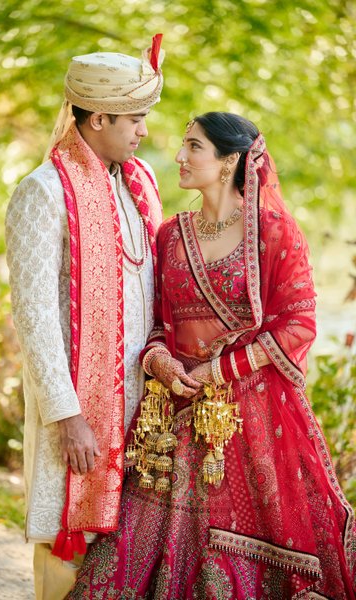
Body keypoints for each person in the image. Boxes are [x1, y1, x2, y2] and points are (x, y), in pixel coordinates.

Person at [67, 112, 356, 599]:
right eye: (183, 145)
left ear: (230, 161)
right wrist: (160, 361)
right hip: (174, 417)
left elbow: (299, 323)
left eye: (194, 147)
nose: (179, 156)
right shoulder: (171, 234)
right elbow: (159, 322)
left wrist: (221, 368)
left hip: (254, 420)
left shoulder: (274, 232)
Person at [5, 35, 165, 600]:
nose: (143, 131)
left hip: (142, 403)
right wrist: (67, 415)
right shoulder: (42, 193)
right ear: (97, 118)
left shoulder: (140, 185)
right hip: (77, 411)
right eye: (135, 119)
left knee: (136, 542)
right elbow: (34, 316)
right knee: (67, 542)